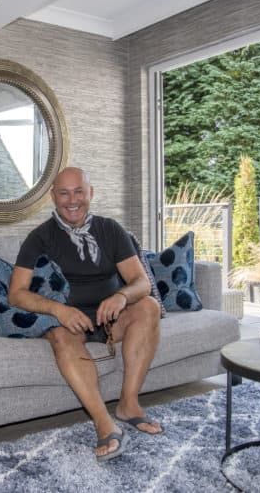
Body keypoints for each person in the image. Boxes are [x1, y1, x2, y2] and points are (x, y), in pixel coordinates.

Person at [8, 167, 162, 462]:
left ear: (90, 193)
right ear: (53, 197)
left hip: (111, 319)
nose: (72, 200)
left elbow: (141, 283)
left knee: (149, 306)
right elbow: (16, 293)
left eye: (79, 191)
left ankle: (129, 404)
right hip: (69, 323)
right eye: (64, 193)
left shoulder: (110, 229)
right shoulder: (39, 238)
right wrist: (58, 309)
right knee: (60, 336)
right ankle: (104, 423)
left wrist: (121, 296)